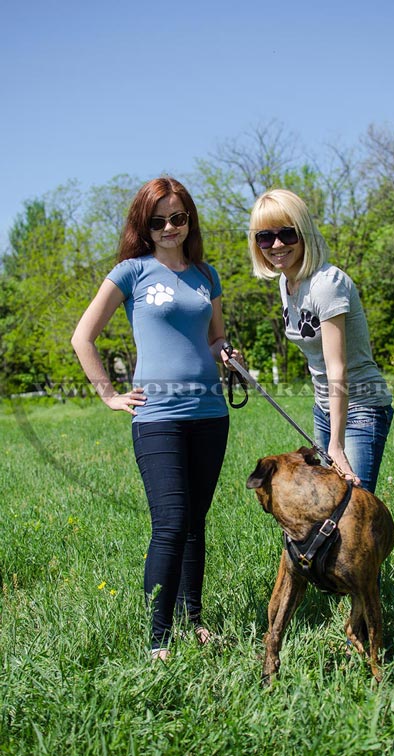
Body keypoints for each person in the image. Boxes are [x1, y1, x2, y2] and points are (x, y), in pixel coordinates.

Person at [72, 177, 241, 661]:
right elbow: (83, 338)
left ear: (190, 219)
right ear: (144, 225)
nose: (169, 227)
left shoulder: (206, 275)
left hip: (210, 413)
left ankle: (194, 621)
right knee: (169, 523)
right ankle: (158, 641)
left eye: (178, 217)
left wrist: (225, 353)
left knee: (195, 523)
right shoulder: (130, 272)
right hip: (158, 418)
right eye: (158, 220)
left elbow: (214, 339)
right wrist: (108, 394)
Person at [248, 189, 393, 494]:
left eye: (287, 234)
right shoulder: (285, 282)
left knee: (352, 502)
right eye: (265, 237)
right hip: (324, 407)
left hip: (361, 405)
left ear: (304, 233)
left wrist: (336, 445)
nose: (276, 245)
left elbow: (336, 367)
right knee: (328, 501)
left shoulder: (327, 284)